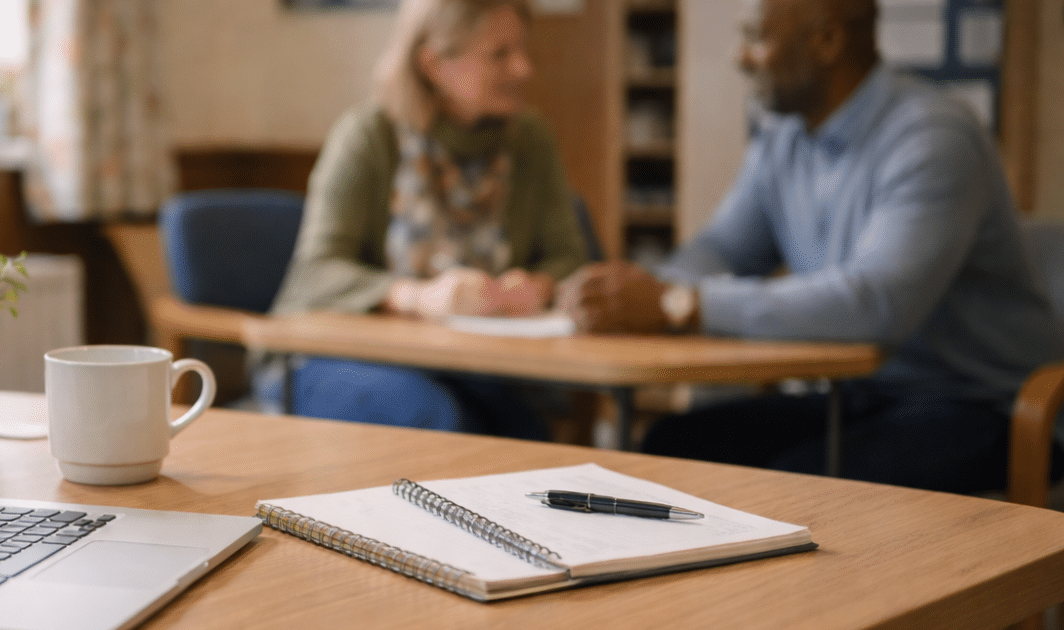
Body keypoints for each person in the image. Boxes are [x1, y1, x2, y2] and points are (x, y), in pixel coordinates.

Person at [556, 0, 1064, 493]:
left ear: (826, 41)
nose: (740, 57)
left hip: (982, 405)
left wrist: (678, 303)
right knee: (672, 445)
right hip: (857, 394)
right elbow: (722, 248)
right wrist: (640, 291)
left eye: (756, 37)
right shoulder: (784, 137)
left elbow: (876, 304)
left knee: (800, 484)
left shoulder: (933, 138)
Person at [254, 0, 590, 440]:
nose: (523, 68)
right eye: (499, 54)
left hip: (468, 364)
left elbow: (570, 258)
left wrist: (535, 287)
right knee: (441, 421)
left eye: (523, 50)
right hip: (331, 358)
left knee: (525, 433)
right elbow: (315, 275)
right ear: (433, 63)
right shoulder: (369, 136)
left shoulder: (530, 141)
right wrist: (417, 297)